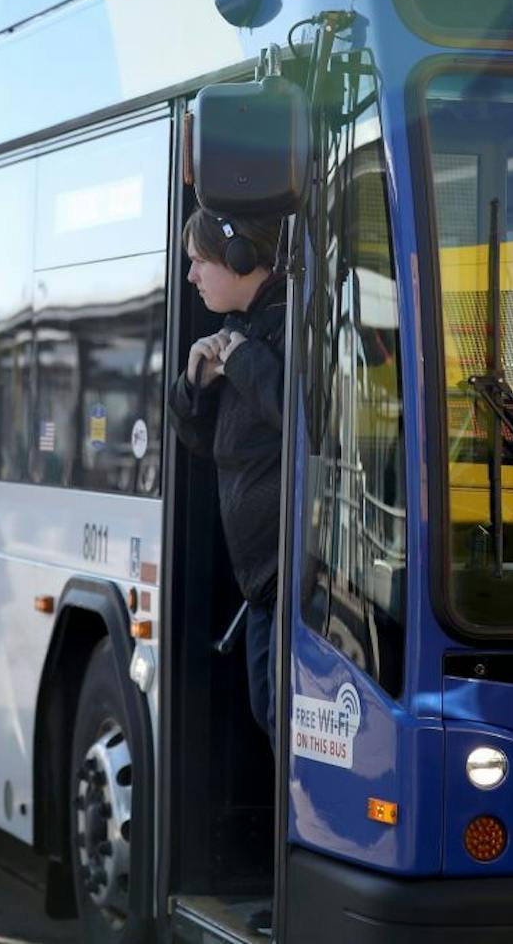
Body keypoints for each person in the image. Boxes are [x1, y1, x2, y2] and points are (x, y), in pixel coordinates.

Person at [169, 208, 286, 743]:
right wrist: (195, 382)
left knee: (278, 715)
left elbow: (306, 417)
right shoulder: (241, 331)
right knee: (267, 711)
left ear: (237, 259)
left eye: (197, 262)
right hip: (261, 579)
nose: (190, 276)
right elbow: (204, 443)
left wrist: (242, 363)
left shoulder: (290, 323)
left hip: (291, 574)